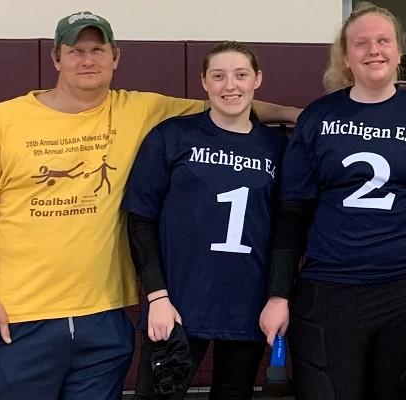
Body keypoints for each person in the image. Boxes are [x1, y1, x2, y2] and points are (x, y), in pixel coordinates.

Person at [0, 11, 297, 399]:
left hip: (104, 314)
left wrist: (302, 118)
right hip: (21, 315)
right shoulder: (3, 120)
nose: (88, 59)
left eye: (98, 49)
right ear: (56, 58)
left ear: (116, 57)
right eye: (76, 51)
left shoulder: (140, 110)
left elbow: (230, 104)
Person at [258, 3, 406, 399]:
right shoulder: (319, 118)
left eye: (383, 41)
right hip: (331, 289)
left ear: (398, 50)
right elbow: (291, 216)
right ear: (345, 56)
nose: (373, 50)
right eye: (361, 43)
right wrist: (278, 295)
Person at [123, 41, 285, 400]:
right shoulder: (172, 136)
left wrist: (278, 296)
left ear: (257, 79)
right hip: (178, 304)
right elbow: (140, 220)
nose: (231, 85)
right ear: (204, 82)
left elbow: (284, 232)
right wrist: (157, 296)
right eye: (219, 76)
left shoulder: (277, 148)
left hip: (247, 303)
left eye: (241, 75)